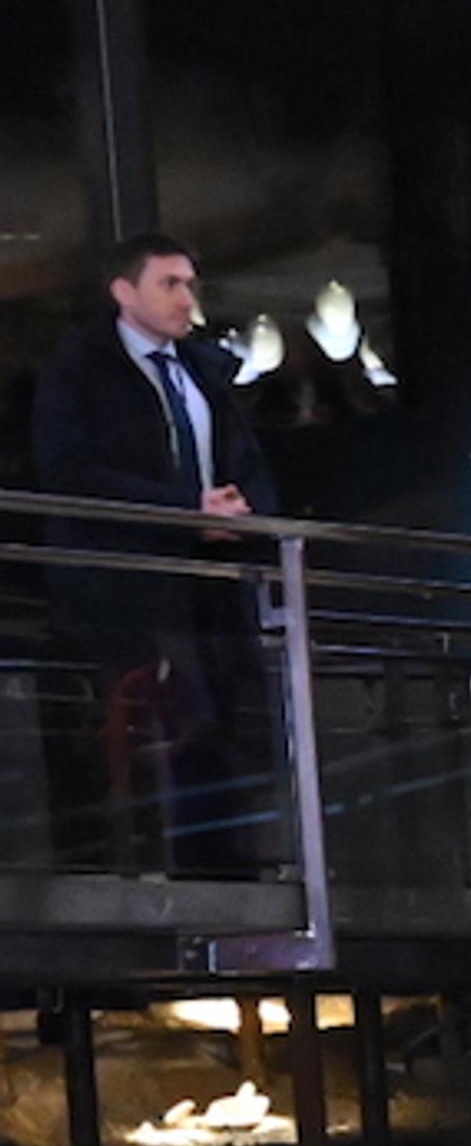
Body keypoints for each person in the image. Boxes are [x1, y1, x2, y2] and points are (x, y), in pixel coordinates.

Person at [30, 232, 283, 877]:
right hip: (125, 594)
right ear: (124, 291)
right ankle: (132, 869)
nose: (186, 299)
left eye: (190, 284)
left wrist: (241, 512)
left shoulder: (203, 370)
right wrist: (185, 509)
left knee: (222, 727)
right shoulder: (79, 369)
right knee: (144, 734)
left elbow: (251, 466)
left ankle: (224, 867)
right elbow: (70, 474)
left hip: (210, 590)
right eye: (169, 284)